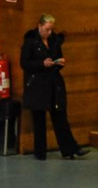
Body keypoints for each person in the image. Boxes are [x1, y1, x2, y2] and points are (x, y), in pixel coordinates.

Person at [20, 15, 85, 161]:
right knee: (39, 120)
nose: (49, 33)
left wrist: (59, 62)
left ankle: (70, 148)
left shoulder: (54, 40)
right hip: (37, 84)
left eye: (51, 30)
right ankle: (40, 152)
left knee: (60, 117)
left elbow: (58, 56)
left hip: (53, 83)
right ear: (39, 26)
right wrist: (41, 63)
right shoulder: (30, 41)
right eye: (47, 30)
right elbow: (24, 63)